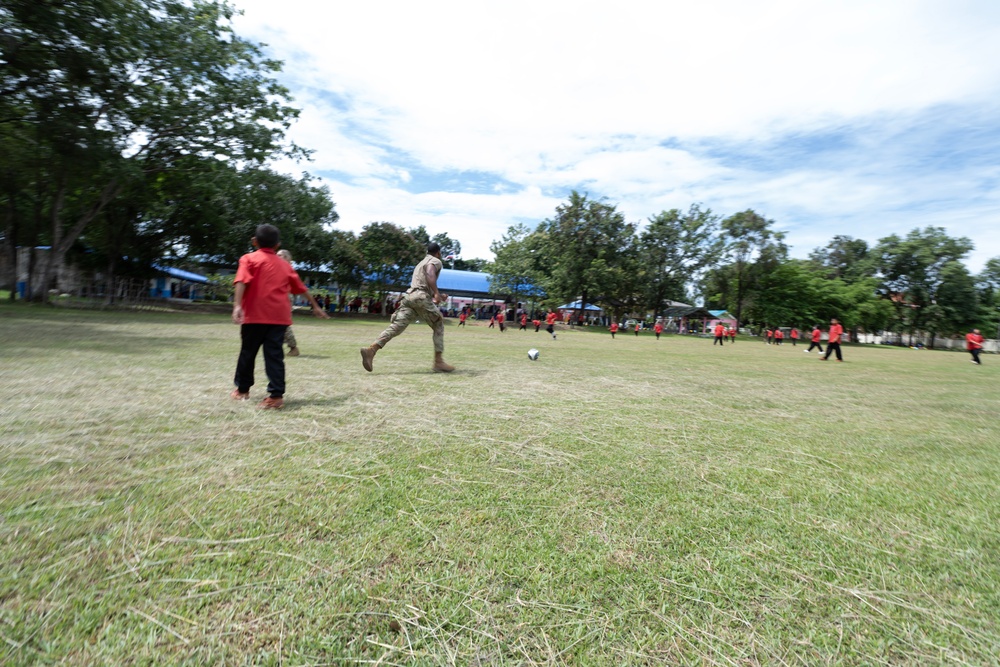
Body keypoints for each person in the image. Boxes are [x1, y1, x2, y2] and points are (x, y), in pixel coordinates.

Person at [231, 224, 328, 409]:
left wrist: (237, 305)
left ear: (254, 241)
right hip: (278, 318)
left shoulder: (248, 259)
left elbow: (241, 281)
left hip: (254, 315)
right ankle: (276, 396)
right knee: (274, 355)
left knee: (248, 353)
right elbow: (301, 289)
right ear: (277, 245)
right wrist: (315, 306)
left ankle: (242, 391)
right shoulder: (285, 265)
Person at [360, 242, 455, 373]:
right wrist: (437, 293)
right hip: (420, 297)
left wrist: (437, 294)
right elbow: (430, 273)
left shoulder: (420, 263)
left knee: (397, 327)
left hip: (410, 297)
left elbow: (422, 283)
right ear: (438, 253)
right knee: (438, 323)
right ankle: (438, 362)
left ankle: (371, 350)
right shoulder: (435, 261)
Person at [275, 249, 302, 357]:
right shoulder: (279, 267)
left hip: (285, 296)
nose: (277, 256)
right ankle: (278, 346)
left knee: (282, 323)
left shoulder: (287, 268)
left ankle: (293, 347)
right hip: (278, 296)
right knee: (276, 323)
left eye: (280, 255)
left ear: (286, 258)